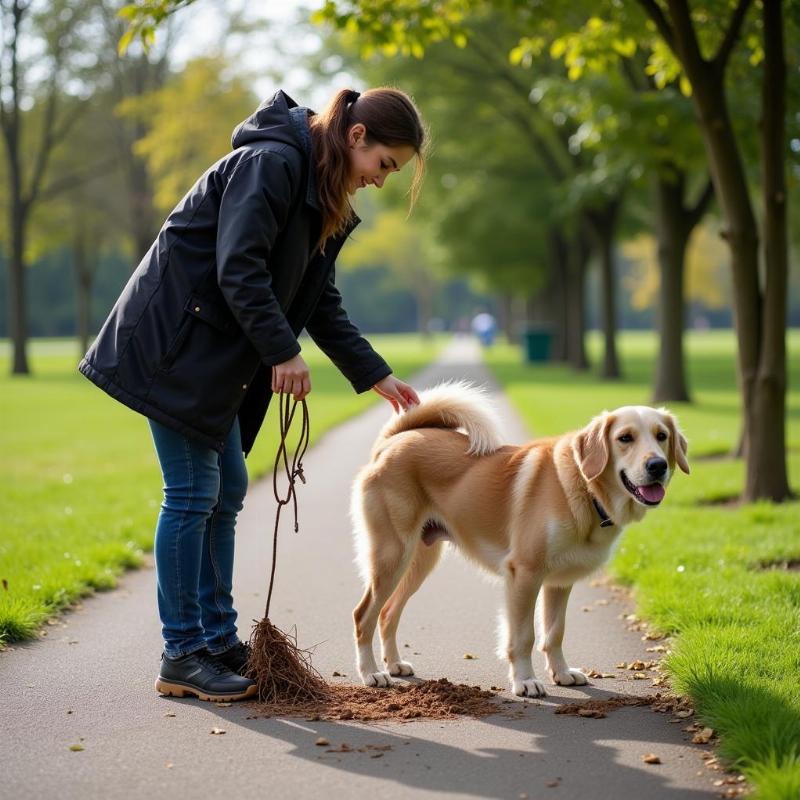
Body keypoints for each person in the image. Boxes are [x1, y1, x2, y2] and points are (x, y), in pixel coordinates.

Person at [78, 87, 426, 702]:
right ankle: (182, 652)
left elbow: (317, 300)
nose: (382, 179)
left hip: (217, 358)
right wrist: (282, 352)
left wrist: (375, 373)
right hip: (179, 351)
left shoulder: (323, 194)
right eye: (385, 164)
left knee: (228, 489)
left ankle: (217, 640)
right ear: (357, 136)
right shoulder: (273, 164)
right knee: (191, 494)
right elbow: (237, 267)